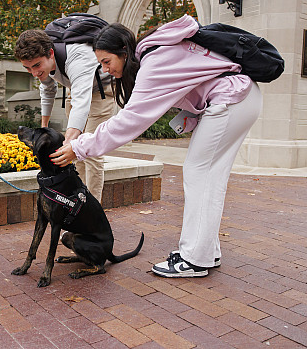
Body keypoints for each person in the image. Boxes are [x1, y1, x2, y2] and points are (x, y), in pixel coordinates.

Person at [51, 15, 262, 277]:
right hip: (240, 98)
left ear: (124, 52)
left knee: (199, 174)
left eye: (107, 61)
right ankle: (206, 252)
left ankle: (195, 259)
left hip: (230, 100)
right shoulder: (157, 54)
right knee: (209, 178)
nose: (105, 70)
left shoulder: (154, 61)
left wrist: (80, 147)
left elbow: (130, 122)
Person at [14, 30, 116, 202]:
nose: (34, 73)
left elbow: (82, 104)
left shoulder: (78, 59)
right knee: (76, 156)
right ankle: (77, 202)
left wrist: (69, 143)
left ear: (51, 54)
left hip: (101, 91)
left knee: (91, 153)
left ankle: (91, 212)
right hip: (75, 90)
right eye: (28, 68)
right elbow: (47, 90)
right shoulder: (41, 66)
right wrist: (44, 127)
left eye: (37, 66)